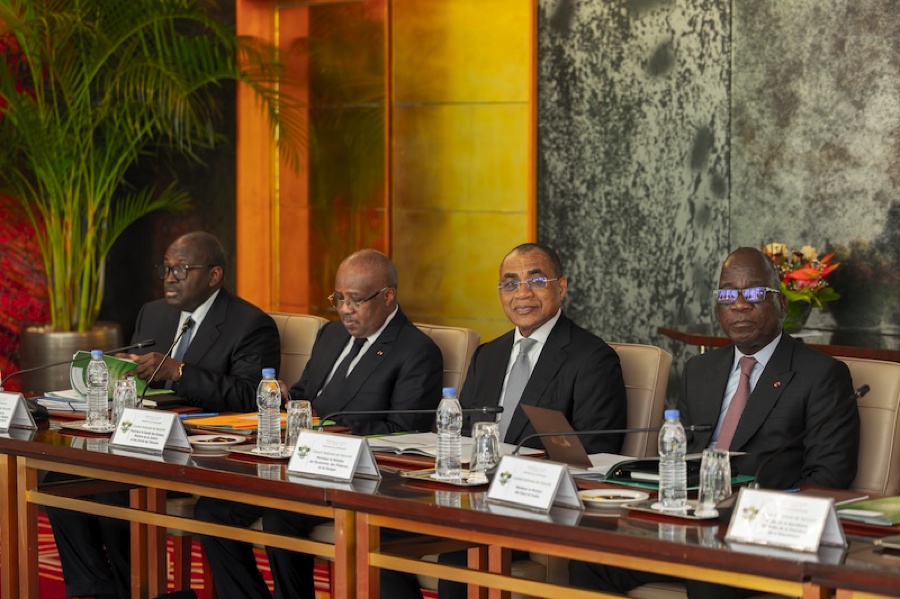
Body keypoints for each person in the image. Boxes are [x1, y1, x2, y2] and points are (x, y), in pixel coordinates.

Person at [569, 246, 861, 599]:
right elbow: (681, 454)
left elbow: (830, 476)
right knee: (589, 560)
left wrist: (757, 514)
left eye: (754, 293)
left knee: (708, 577)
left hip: (756, 531)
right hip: (685, 521)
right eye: (727, 295)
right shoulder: (700, 370)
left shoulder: (821, 374)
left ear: (781, 304)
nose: (739, 305)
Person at [195, 248, 444, 599]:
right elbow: (307, 395)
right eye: (338, 298)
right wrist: (287, 398)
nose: (345, 309)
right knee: (212, 510)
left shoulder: (416, 350)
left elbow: (405, 433)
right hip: (297, 466)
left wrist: (329, 431)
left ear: (388, 296)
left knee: (281, 518)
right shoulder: (332, 335)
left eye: (355, 300)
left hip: (352, 476)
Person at [46, 231, 281, 599]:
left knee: (111, 491)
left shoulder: (250, 323)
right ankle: (97, 589)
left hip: (201, 453)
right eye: (166, 268)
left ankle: (132, 591)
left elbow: (251, 396)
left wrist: (180, 372)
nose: (170, 277)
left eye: (181, 269)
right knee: (58, 481)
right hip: (141, 440)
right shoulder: (153, 313)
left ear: (214, 275)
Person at [433, 242, 628, 599]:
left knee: (460, 561)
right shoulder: (487, 355)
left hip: (537, 506)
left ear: (561, 287)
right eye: (510, 283)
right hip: (475, 501)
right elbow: (463, 436)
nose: (522, 293)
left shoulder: (592, 358)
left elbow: (597, 452)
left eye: (536, 281)